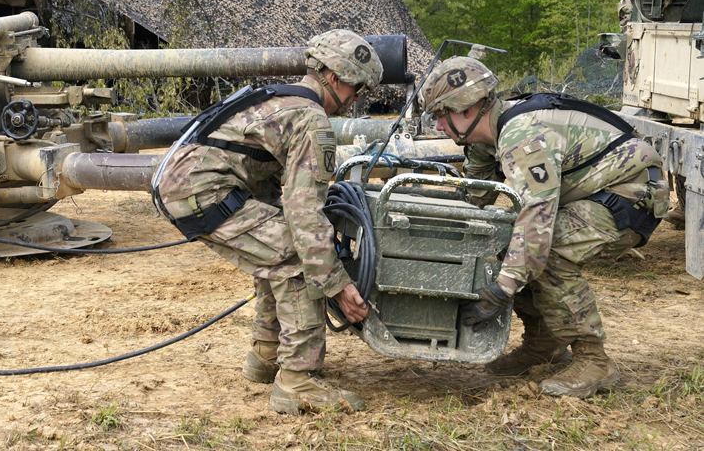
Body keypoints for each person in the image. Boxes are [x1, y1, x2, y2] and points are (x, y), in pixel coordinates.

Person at [153, 30, 383, 414]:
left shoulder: (278, 95)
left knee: (274, 246)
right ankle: (297, 379)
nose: (356, 99)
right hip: (202, 191)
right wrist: (337, 284)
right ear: (337, 78)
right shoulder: (312, 120)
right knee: (296, 256)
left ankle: (266, 354)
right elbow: (304, 214)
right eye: (357, 89)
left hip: (184, 186)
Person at [420, 56, 669, 398]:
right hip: (593, 192)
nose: (436, 127)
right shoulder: (482, 138)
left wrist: (502, 289)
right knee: (510, 245)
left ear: (465, 109)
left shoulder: (521, 135)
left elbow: (538, 216)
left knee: (545, 251)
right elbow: (475, 203)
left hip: (631, 193)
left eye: (439, 114)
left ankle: (595, 361)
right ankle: (543, 344)